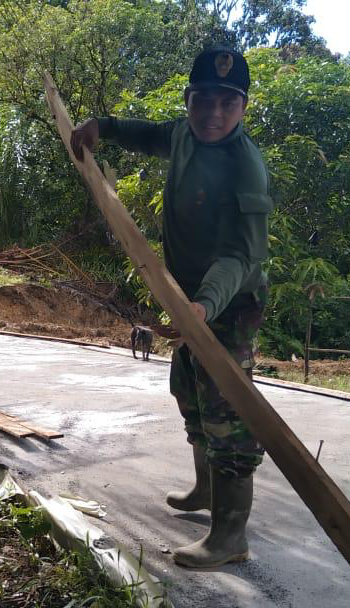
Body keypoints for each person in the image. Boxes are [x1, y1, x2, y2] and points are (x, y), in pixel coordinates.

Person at [70, 47, 273, 569]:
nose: (212, 114)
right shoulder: (184, 133)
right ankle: (205, 490)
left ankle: (231, 536)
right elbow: (150, 135)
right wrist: (104, 127)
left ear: (243, 108)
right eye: (202, 100)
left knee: (226, 411)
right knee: (187, 389)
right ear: (188, 100)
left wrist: (204, 304)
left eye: (226, 104)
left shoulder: (244, 166)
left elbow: (242, 255)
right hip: (187, 298)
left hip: (229, 302)